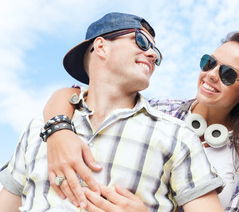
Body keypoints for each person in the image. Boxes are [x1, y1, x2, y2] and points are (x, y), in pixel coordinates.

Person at [35, 32, 239, 211]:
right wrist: (58, 132)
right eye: (209, 62)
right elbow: (76, 96)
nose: (211, 75)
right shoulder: (158, 111)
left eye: (228, 74)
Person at [0, 12, 225, 212]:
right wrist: (57, 130)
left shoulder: (178, 137)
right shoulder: (38, 129)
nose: (153, 55)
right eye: (142, 42)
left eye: (156, 51)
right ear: (101, 47)